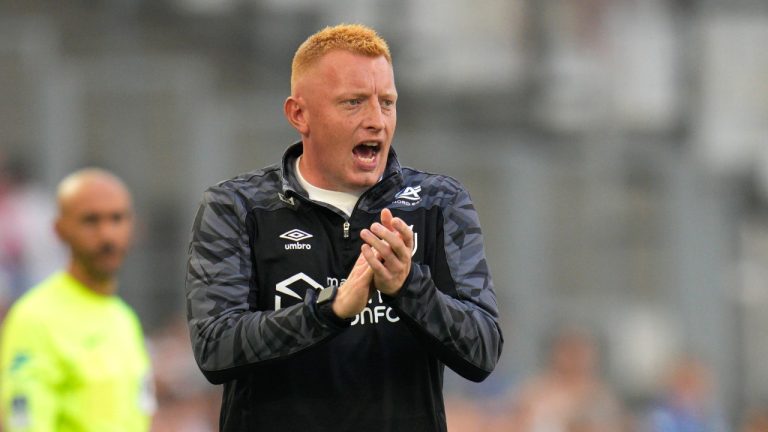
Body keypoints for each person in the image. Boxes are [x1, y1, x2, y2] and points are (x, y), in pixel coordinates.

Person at [185, 23, 503, 431]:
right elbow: (214, 347)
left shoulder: (438, 203)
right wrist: (328, 310)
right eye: (353, 103)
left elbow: (483, 349)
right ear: (299, 114)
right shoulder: (236, 207)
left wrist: (408, 288)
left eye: (387, 103)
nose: (376, 121)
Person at [0, 168, 155, 432]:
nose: (106, 234)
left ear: (133, 227)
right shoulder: (35, 318)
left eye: (117, 218)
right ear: (59, 230)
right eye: (90, 220)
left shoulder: (125, 319)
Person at [507, 327, 626, 432]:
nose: (575, 359)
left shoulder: (602, 396)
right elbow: (512, 422)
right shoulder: (535, 391)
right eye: (569, 351)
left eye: (581, 352)